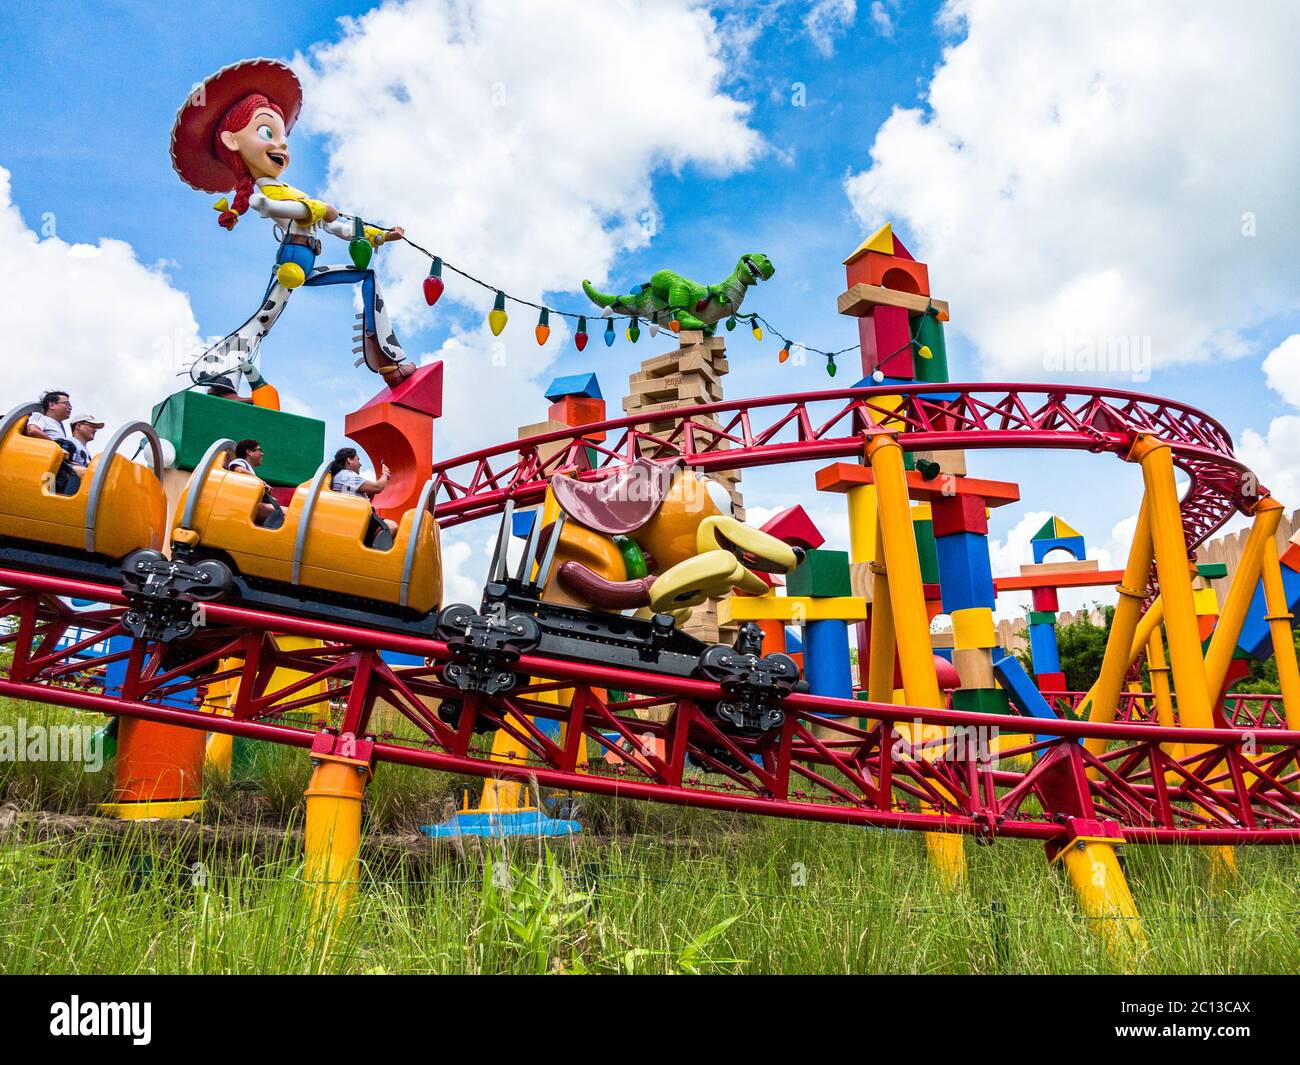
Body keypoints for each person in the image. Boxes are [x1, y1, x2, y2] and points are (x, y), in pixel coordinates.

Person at [169, 59, 413, 389]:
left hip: (308, 266)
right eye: (267, 132)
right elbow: (270, 206)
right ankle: (219, 377)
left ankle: (386, 357)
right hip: (290, 266)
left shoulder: (292, 192)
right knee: (262, 321)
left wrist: (380, 235)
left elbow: (339, 226)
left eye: (283, 135)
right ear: (231, 140)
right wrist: (315, 209)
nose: (281, 143)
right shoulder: (270, 191)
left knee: (365, 277)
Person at [328, 447, 398, 539]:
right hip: (357, 520)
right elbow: (378, 487)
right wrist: (385, 474)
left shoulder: (341, 476)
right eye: (357, 459)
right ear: (349, 460)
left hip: (354, 517)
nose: (360, 464)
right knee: (391, 526)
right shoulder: (347, 475)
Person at [225, 439, 277, 526]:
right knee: (287, 514)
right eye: (259, 450)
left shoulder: (248, 468)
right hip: (248, 506)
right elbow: (239, 471)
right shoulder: (240, 462)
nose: (262, 453)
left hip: (249, 506)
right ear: (249, 452)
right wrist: (261, 482)